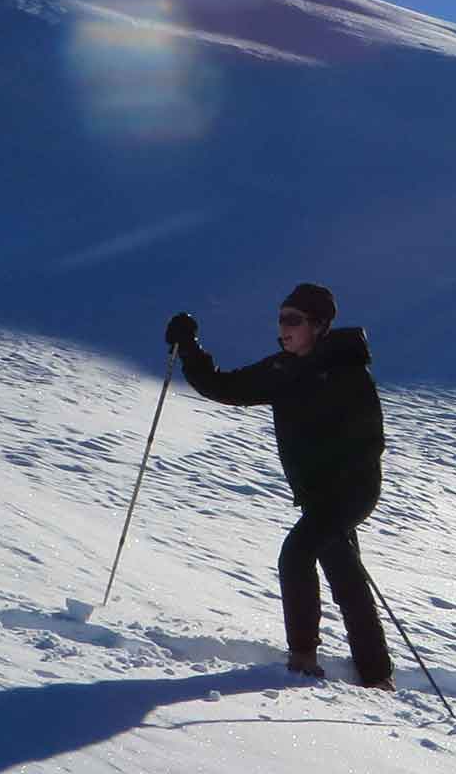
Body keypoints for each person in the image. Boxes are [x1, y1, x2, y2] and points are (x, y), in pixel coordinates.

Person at [164, 283, 395, 689]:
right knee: (345, 574)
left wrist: (335, 484)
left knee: (297, 553)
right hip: (317, 497)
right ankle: (376, 674)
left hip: (350, 492)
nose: (283, 327)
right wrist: (189, 348)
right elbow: (225, 387)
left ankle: (303, 657)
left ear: (319, 325)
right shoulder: (283, 370)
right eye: (281, 318)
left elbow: (370, 443)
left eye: (293, 319)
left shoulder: (347, 372)